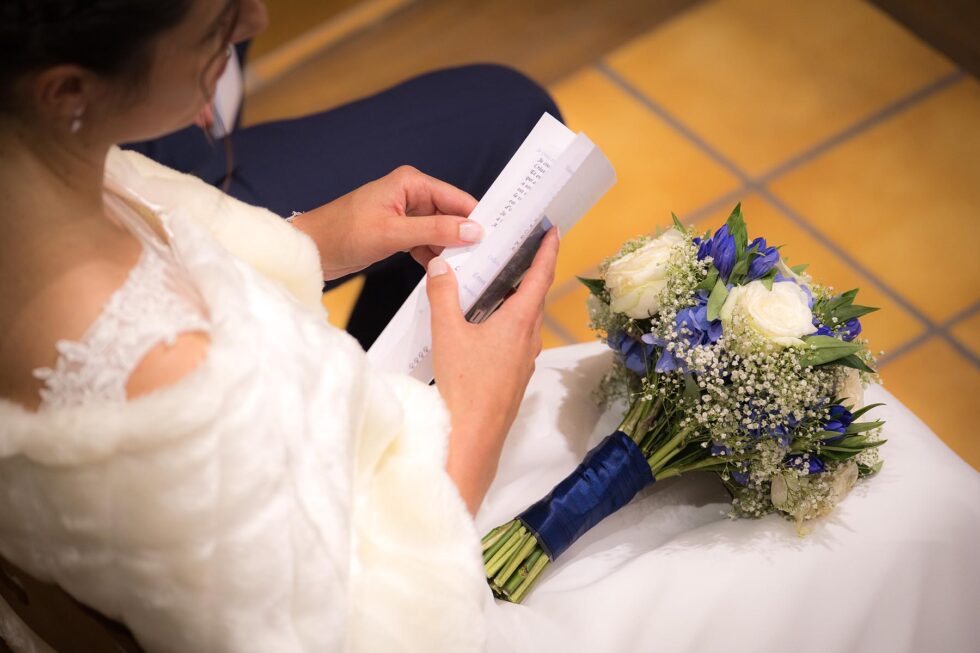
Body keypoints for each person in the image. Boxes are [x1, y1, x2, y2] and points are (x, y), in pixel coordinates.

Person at [0, 0, 556, 650]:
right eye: (216, 26)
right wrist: (477, 418)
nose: (255, 23)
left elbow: (169, 243)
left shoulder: (40, 165)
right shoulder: (171, 383)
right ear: (68, 91)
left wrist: (313, 239)